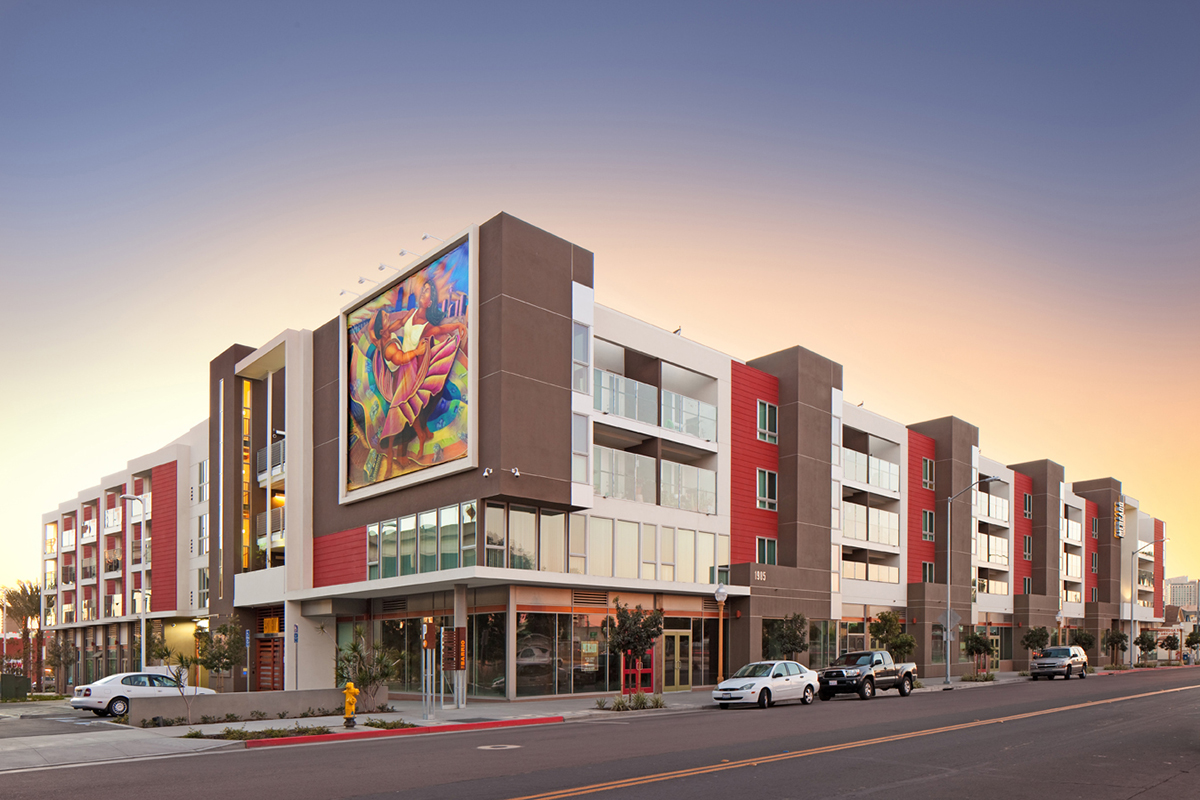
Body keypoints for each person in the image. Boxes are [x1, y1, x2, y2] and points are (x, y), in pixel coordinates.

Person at [365, 280, 466, 478]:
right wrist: (385, 329)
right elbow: (398, 324)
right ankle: (415, 440)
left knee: (402, 408)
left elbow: (440, 331)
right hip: (403, 369)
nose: (423, 292)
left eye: (428, 291)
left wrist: (456, 324)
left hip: (415, 368)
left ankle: (405, 448)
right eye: (424, 289)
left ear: (430, 302)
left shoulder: (428, 326)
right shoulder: (410, 314)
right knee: (403, 408)